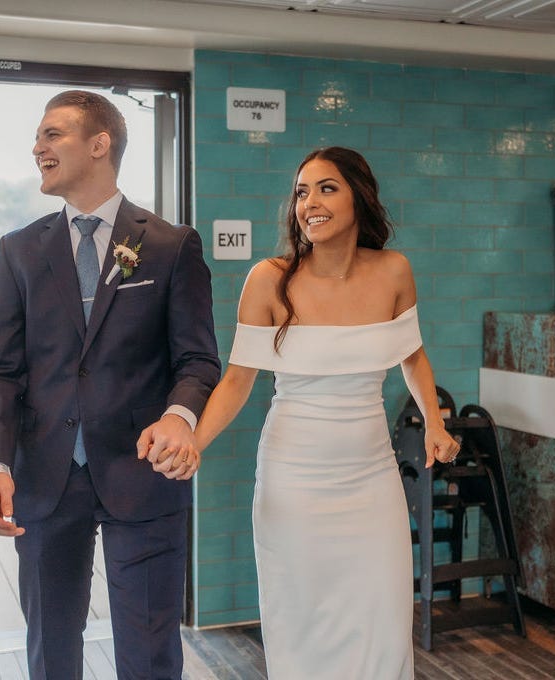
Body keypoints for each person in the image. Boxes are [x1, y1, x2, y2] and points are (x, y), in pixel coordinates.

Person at [183, 146, 459, 679]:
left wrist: (435, 422)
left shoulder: (394, 271)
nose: (310, 201)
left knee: (382, 619)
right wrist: (193, 441)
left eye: (327, 187)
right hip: (294, 482)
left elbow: (413, 353)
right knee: (302, 625)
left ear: (360, 197)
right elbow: (238, 381)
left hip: (371, 480)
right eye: (302, 191)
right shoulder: (269, 278)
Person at [0, 90, 220, 680]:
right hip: (44, 478)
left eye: (53, 134)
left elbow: (198, 361)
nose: (38, 147)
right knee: (51, 645)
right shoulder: (19, 251)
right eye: (39, 137)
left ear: (99, 144)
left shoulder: (169, 245)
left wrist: (180, 417)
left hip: (145, 473)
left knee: (151, 646)